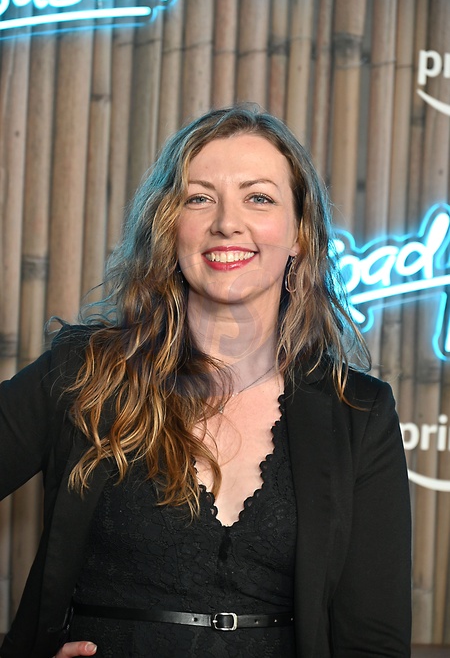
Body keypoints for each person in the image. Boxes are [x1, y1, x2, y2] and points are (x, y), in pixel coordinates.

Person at [0, 105, 411, 658]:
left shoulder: (359, 413)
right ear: (169, 225)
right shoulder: (83, 373)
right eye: (199, 198)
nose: (227, 223)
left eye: (258, 198)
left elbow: (374, 643)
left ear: (300, 234)